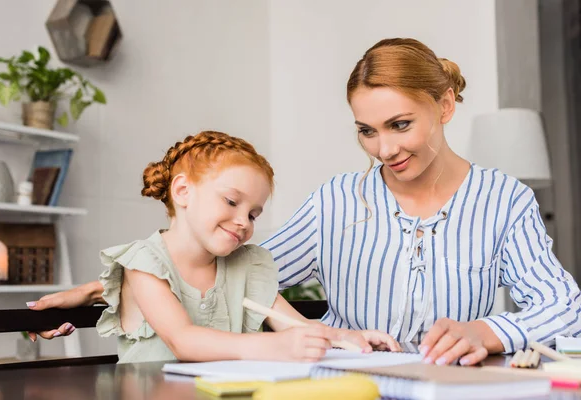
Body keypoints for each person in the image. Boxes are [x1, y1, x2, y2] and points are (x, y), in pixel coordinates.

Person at [29, 38, 581, 367]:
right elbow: (229, 269)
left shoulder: (505, 201)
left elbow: (567, 307)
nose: (384, 149)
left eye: (400, 125)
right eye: (367, 130)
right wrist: (109, 287)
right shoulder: (337, 202)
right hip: (345, 388)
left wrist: (487, 332)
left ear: (445, 105)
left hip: (457, 388)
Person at [35, 130, 399, 364]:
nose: (244, 221)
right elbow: (184, 341)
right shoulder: (144, 263)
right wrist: (269, 349)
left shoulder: (247, 265)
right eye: (231, 202)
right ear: (182, 192)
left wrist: (349, 338)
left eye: (254, 214)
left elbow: (293, 325)